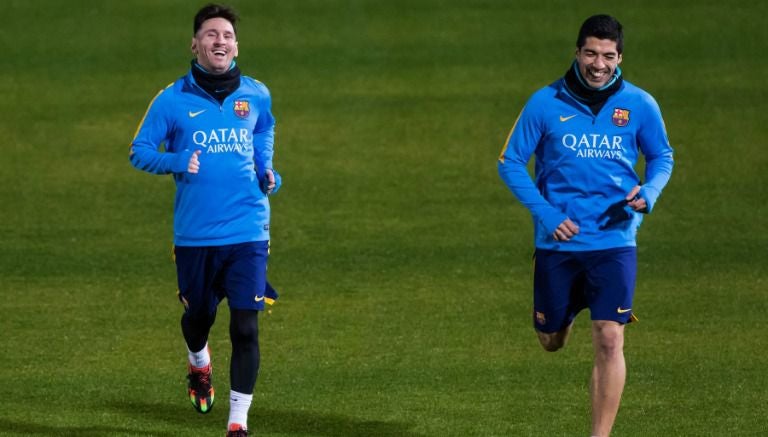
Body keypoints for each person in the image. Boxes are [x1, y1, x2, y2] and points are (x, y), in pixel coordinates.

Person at [497, 14, 673, 437]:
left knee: (610, 337)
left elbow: (662, 157)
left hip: (615, 238)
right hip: (559, 243)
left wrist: (649, 192)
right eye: (591, 53)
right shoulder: (544, 103)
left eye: (608, 56)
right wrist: (548, 215)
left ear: (620, 57)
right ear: (577, 53)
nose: (599, 64)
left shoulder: (640, 104)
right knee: (551, 340)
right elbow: (510, 163)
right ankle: (565, 313)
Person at [129, 4, 281, 436]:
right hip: (195, 234)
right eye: (211, 34)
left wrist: (265, 168)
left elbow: (265, 128)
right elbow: (139, 151)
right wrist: (177, 160)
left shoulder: (256, 94)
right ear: (195, 43)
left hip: (248, 227)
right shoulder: (171, 99)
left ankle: (238, 423)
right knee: (199, 317)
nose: (220, 41)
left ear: (236, 44)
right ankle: (199, 361)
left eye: (228, 35)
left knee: (245, 324)